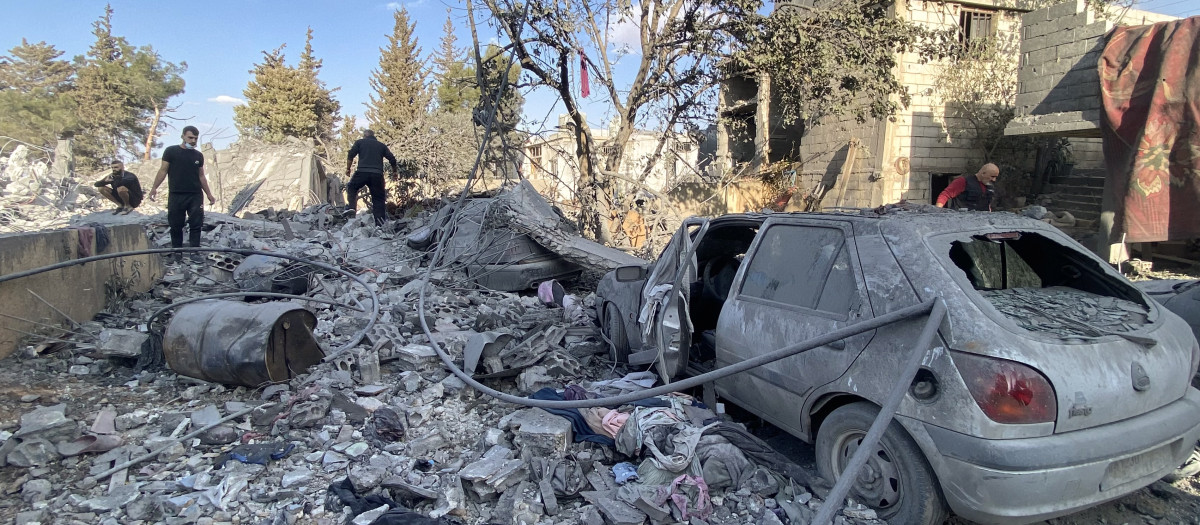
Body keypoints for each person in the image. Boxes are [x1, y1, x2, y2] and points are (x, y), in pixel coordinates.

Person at [148, 126, 217, 262]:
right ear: (183, 136)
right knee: (176, 224)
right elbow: (163, 170)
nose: (193, 141)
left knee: (196, 224)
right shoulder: (171, 151)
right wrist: (154, 188)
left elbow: (201, 176)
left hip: (195, 195)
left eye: (195, 138)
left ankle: (194, 252)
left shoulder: (198, 155)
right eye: (190, 137)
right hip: (176, 194)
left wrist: (209, 194)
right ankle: (177, 253)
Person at [345, 129, 398, 226]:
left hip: (362, 172)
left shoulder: (360, 142)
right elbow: (392, 159)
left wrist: (348, 169)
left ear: (364, 136)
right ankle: (380, 224)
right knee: (378, 199)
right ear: (374, 136)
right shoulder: (381, 145)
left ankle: (351, 210)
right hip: (377, 175)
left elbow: (350, 154)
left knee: (351, 187)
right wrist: (394, 172)